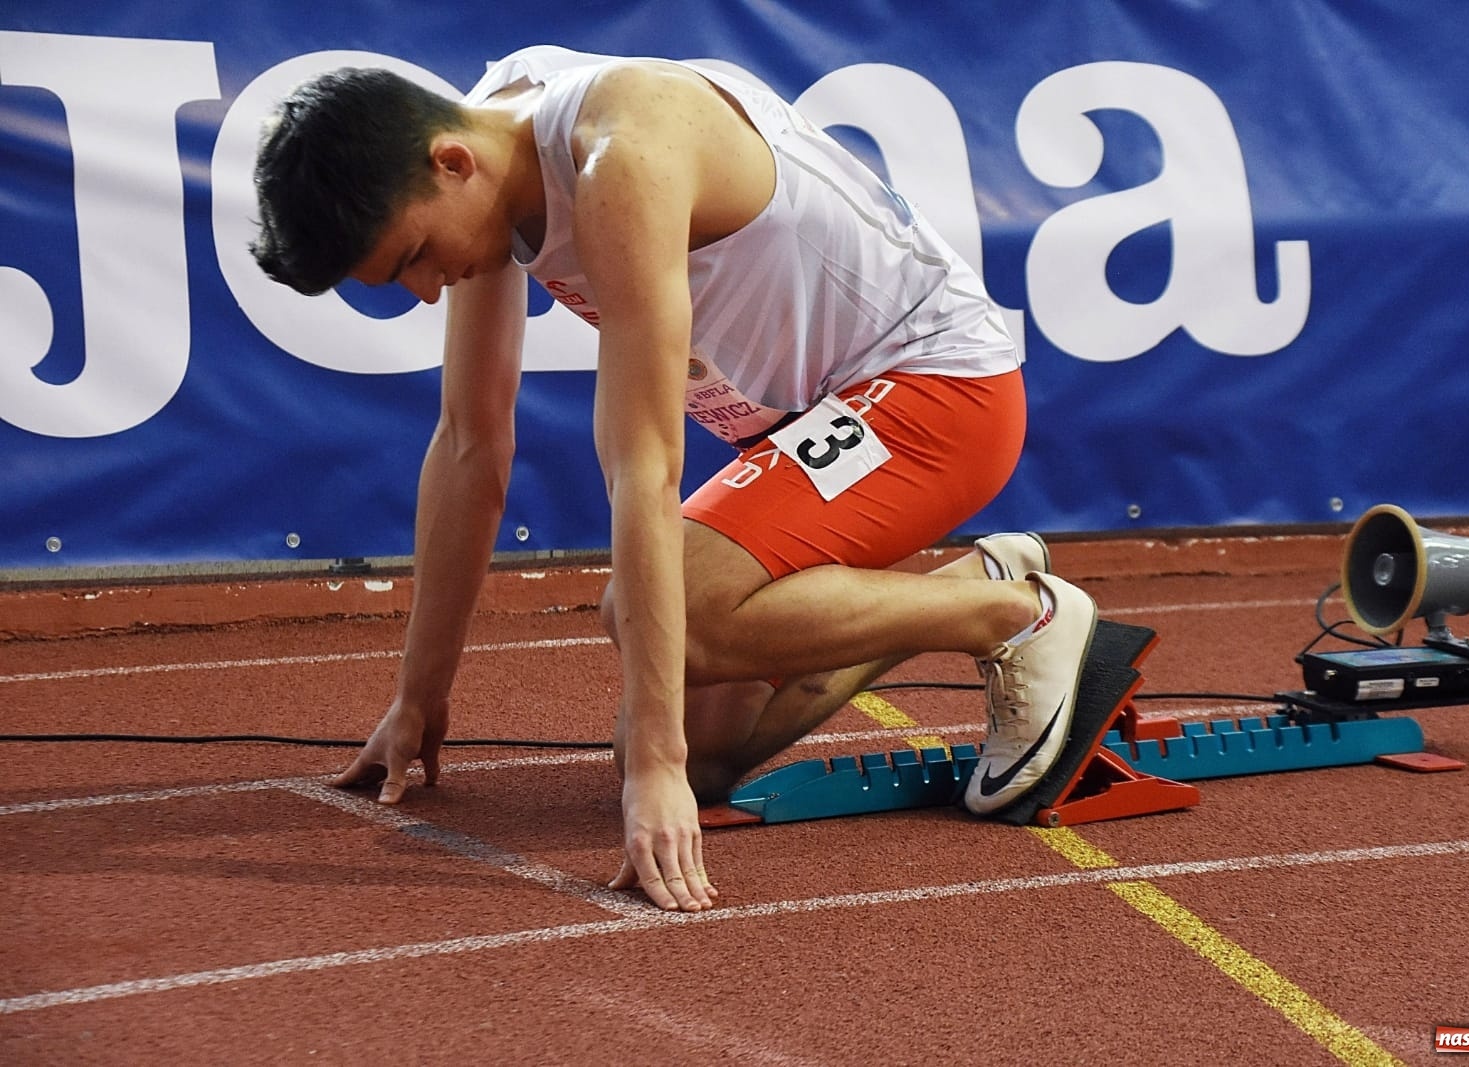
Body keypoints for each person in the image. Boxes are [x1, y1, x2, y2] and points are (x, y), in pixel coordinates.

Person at [250, 46, 1099, 913]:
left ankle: (1016, 616)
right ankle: (973, 582)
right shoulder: (481, 152)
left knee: (662, 632)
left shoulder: (623, 151)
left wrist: (655, 775)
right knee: (699, 750)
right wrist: (418, 699)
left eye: (415, 258)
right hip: (813, 424)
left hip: (939, 391)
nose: (428, 292)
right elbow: (471, 442)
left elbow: (645, 466)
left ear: (452, 162)